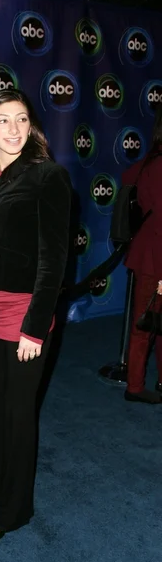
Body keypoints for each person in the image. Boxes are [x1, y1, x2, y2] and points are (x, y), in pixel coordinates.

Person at [0, 89, 72, 546]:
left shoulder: (47, 176)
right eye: (3, 120)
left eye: (21, 120)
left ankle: (15, 508)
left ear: (32, 127)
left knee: (19, 413)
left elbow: (54, 259)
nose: (13, 130)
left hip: (21, 317)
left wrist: (35, 326)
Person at [122, 104, 162, 405]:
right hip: (154, 257)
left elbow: (128, 178)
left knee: (149, 322)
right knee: (145, 323)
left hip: (148, 252)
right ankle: (135, 386)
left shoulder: (150, 160)